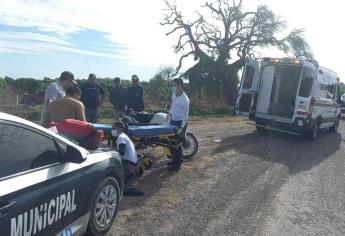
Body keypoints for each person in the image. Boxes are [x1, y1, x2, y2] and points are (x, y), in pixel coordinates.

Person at [111, 121, 144, 196]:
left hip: (128, 165)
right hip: (133, 163)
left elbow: (122, 152)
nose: (112, 130)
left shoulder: (121, 137)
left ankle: (127, 184)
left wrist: (111, 151)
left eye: (114, 128)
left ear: (120, 129)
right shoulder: (124, 136)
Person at [167, 78, 190, 170]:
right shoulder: (174, 94)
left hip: (180, 122)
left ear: (179, 86)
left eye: (174, 85)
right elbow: (173, 105)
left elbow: (186, 116)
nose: (173, 87)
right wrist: (169, 113)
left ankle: (177, 165)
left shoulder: (185, 100)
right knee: (171, 142)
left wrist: (181, 127)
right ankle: (175, 160)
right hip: (173, 120)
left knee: (177, 144)